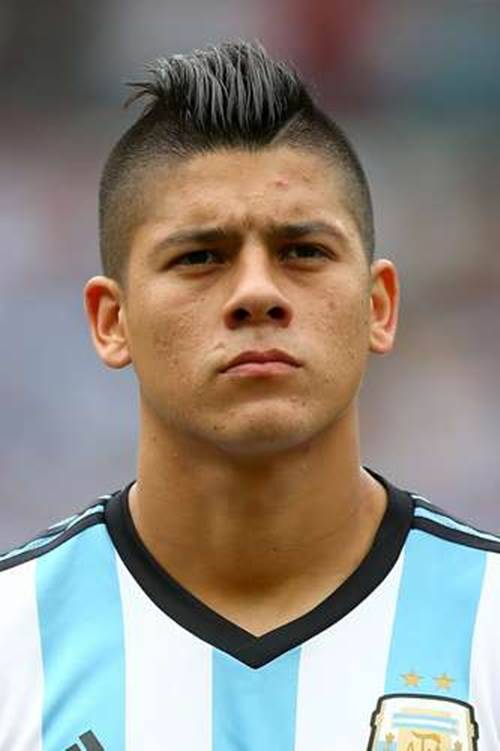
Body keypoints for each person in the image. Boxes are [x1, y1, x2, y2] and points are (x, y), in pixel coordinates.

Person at [0, 40, 498, 751]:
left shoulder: (491, 627)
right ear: (113, 322)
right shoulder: (12, 645)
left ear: (379, 305)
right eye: (200, 257)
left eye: (303, 251)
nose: (257, 292)